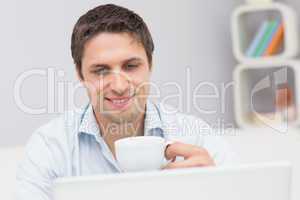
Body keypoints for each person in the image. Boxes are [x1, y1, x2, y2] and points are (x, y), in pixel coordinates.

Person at [16, 4, 236, 200]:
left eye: (131, 66)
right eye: (101, 70)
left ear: (150, 64)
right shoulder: (50, 147)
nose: (119, 86)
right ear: (80, 74)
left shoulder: (197, 137)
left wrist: (215, 189)